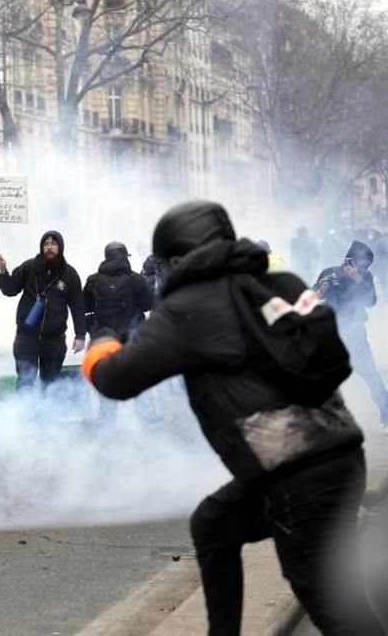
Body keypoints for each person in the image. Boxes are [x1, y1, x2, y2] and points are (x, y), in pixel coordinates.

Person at [83, 201, 383, 635]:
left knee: (330, 602)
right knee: (214, 524)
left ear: (175, 258)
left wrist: (102, 341)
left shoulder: (187, 307)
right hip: (339, 454)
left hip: (294, 476)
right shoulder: (274, 281)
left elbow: (116, 380)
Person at [0, 230, 86, 390]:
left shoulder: (70, 275)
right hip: (26, 338)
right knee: (25, 382)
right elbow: (10, 289)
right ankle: (23, 413)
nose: (49, 247)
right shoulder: (29, 267)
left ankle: (45, 414)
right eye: (46, 244)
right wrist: (2, 272)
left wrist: (80, 335)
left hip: (54, 339)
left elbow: (77, 306)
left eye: (53, 243)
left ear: (61, 247)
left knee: (49, 384)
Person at [315, 240, 388, 427]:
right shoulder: (329, 273)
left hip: (354, 332)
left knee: (370, 374)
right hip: (330, 332)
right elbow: (312, 296)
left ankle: (386, 414)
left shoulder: (365, 277)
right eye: (361, 263)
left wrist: (357, 279)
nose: (363, 267)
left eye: (366, 265)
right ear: (350, 260)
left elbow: (371, 301)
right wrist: (320, 290)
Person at [83, 241, 155, 426]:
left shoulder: (93, 280)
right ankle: (149, 423)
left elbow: (85, 307)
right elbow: (148, 305)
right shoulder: (135, 280)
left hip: (104, 341)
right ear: (124, 256)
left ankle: (106, 428)